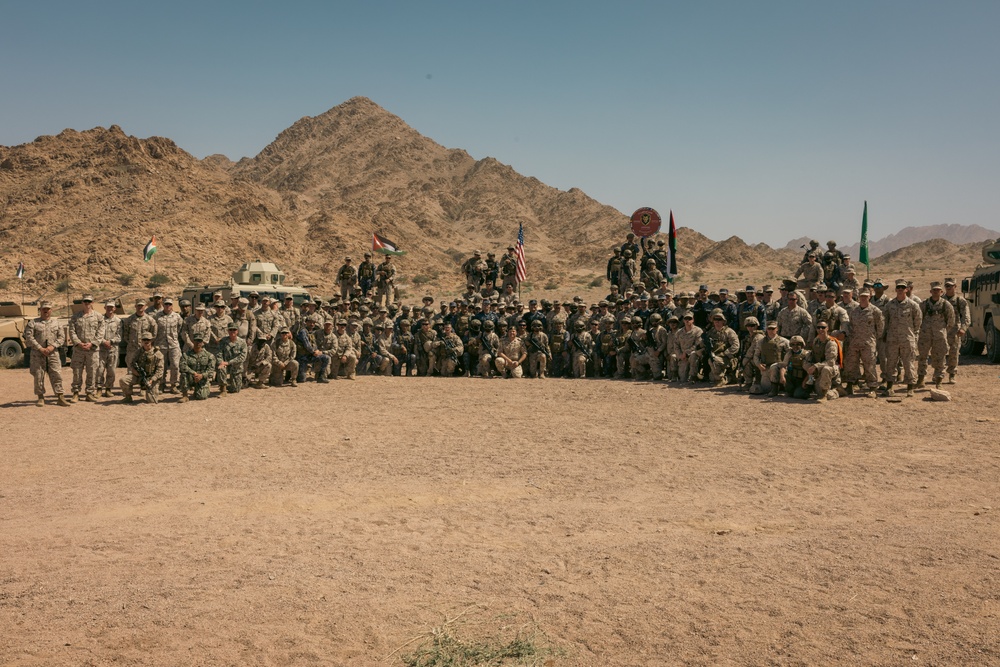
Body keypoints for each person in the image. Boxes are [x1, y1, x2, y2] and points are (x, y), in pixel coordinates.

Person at [882, 279, 922, 397]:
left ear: (906, 289)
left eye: (902, 288)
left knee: (908, 363)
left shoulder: (913, 305)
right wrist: (885, 335)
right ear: (895, 290)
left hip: (907, 338)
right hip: (892, 339)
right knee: (891, 363)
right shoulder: (889, 305)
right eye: (898, 288)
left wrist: (912, 334)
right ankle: (889, 387)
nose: (900, 290)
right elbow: (885, 320)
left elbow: (918, 321)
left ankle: (910, 388)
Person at [24, 301, 69, 407]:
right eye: (44, 309)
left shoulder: (57, 323)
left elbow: (61, 338)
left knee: (56, 374)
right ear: (40, 310)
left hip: (53, 353)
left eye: (48, 309)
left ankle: (60, 396)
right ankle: (40, 397)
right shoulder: (33, 323)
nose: (46, 311)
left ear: (51, 310)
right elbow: (29, 337)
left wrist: (52, 346)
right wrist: (40, 348)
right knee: (38, 375)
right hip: (37, 354)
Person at [842, 289, 883, 398]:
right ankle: (850, 386)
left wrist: (874, 339)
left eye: (866, 296)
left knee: (870, 365)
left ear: (869, 297)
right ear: (858, 297)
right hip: (854, 342)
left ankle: (872, 388)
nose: (863, 298)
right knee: (851, 364)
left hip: (868, 342)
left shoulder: (875, 311)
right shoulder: (854, 311)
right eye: (861, 296)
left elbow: (880, 328)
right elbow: (850, 325)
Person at [916, 282, 955, 389]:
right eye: (934, 290)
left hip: (940, 336)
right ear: (931, 291)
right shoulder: (924, 304)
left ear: (941, 292)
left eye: (938, 290)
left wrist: (943, 331)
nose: (936, 292)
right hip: (925, 335)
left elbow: (951, 321)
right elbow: (918, 318)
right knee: (922, 357)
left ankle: (939, 381)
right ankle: (920, 379)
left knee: (940, 358)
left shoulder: (946, 305)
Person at [69, 293, 105, 402]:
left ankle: (90, 392)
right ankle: (76, 393)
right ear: (82, 303)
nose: (87, 304)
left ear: (92, 303)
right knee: (77, 371)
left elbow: (101, 332)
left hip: (92, 350)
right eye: (85, 301)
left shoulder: (98, 317)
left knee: (92, 372)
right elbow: (72, 331)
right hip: (79, 349)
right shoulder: (75, 317)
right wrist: (78, 343)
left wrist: (92, 343)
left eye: (89, 301)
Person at [120, 332, 163, 404]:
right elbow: (131, 363)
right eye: (144, 340)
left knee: (151, 401)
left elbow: (160, 370)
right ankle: (128, 397)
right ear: (142, 341)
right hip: (139, 376)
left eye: (148, 340)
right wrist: (134, 371)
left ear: (151, 341)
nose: (146, 341)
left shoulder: (157, 354)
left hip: (151, 378)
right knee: (123, 380)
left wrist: (152, 380)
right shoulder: (138, 352)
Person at [942, 278, 971, 384]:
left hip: (955, 331)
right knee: (939, 352)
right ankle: (938, 374)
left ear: (955, 286)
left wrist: (963, 328)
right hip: (942, 330)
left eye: (950, 285)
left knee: (954, 353)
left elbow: (966, 315)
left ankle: (952, 375)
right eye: (947, 286)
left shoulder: (960, 300)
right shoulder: (941, 299)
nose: (948, 288)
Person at [805, 322, 841, 402]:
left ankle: (830, 393)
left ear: (827, 328)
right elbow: (813, 356)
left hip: (830, 369)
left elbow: (830, 362)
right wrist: (808, 366)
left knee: (826, 369)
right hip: (819, 368)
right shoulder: (816, 341)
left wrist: (815, 366)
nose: (820, 329)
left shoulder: (831, 343)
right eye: (818, 327)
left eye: (823, 327)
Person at [154, 297, 183, 394]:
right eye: (166, 304)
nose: (167, 306)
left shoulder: (177, 317)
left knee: (175, 365)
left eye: (169, 304)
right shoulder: (157, 316)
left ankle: (173, 385)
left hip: (173, 345)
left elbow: (179, 329)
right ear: (163, 305)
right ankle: (161, 384)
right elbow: (154, 330)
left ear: (172, 306)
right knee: (162, 366)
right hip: (161, 345)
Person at [705, 309, 740, 387]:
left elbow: (736, 346)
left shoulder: (729, 332)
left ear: (723, 321)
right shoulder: (711, 332)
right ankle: (729, 377)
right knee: (711, 377)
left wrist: (724, 354)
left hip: (728, 359)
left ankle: (721, 379)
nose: (717, 322)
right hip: (716, 358)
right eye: (715, 319)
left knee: (712, 360)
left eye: (719, 319)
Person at [179, 334, 216, 402]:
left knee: (202, 397)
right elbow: (182, 366)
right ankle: (185, 396)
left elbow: (211, 370)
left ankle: (198, 391)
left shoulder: (209, 355)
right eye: (196, 341)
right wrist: (194, 373)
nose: (198, 343)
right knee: (183, 374)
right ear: (193, 342)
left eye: (199, 341)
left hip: (202, 378)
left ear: (202, 343)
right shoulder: (186, 355)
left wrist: (202, 375)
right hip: (191, 377)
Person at [98, 300, 122, 398]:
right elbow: (97, 334)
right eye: (108, 307)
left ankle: (108, 389)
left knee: (111, 370)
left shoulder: (118, 321)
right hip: (101, 349)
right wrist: (104, 341)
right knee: (99, 370)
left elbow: (119, 336)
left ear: (115, 308)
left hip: (113, 349)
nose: (110, 309)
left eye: (112, 307)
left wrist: (111, 341)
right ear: (105, 308)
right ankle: (99, 389)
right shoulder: (100, 319)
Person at [123, 299, 157, 368]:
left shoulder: (150, 320)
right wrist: (131, 343)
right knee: (131, 370)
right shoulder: (129, 320)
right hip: (132, 350)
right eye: (138, 305)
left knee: (145, 369)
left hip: (145, 350)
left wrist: (147, 344)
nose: (140, 307)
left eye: (142, 305)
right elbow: (125, 334)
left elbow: (154, 334)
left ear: (145, 307)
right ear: (135, 306)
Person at [218, 322, 249, 394]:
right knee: (221, 368)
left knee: (236, 389)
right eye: (230, 330)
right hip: (225, 365)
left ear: (237, 331)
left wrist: (229, 362)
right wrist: (221, 362)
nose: (232, 332)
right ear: (228, 331)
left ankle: (231, 385)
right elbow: (219, 353)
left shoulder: (242, 342)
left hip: (236, 366)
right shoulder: (223, 341)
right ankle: (223, 388)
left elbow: (242, 357)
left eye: (234, 330)